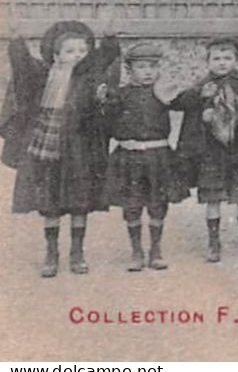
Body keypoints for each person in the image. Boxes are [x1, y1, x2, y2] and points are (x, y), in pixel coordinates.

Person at [3, 21, 118, 277]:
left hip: (80, 152)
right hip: (49, 151)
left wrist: (109, 36)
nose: (77, 55)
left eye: (82, 50)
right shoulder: (41, 76)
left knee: (80, 202)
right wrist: (17, 41)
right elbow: (22, 66)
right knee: (50, 202)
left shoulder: (90, 78)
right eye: (69, 51)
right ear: (55, 55)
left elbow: (107, 57)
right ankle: (51, 253)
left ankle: (77, 252)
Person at [172, 38, 238, 261]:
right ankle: (214, 243)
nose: (222, 63)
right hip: (211, 153)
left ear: (236, 60)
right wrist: (200, 99)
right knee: (213, 197)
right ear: (207, 62)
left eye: (227, 58)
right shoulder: (203, 84)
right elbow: (180, 102)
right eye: (216, 58)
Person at [96, 41, 187, 272]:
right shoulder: (121, 94)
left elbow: (188, 103)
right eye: (142, 67)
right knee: (132, 204)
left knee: (158, 203)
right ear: (130, 70)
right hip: (129, 156)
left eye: (153, 67)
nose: (148, 72)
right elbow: (107, 122)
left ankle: (155, 250)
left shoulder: (164, 92)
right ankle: (136, 251)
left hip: (159, 156)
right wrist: (104, 102)